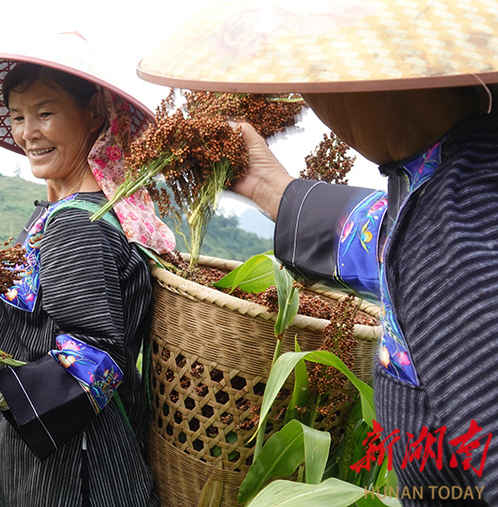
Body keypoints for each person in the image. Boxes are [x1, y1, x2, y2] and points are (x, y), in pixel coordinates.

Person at [137, 1, 498, 505]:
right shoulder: (450, 181)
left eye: (314, 74)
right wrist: (271, 188)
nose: (313, 96)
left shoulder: (459, 237)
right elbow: (385, 238)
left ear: (373, 67)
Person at [0, 32, 175, 506]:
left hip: (71, 468)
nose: (27, 133)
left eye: (45, 113)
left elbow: (95, 358)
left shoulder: (79, 225)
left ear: (95, 113)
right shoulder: (58, 213)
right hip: (33, 452)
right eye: (18, 117)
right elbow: (32, 309)